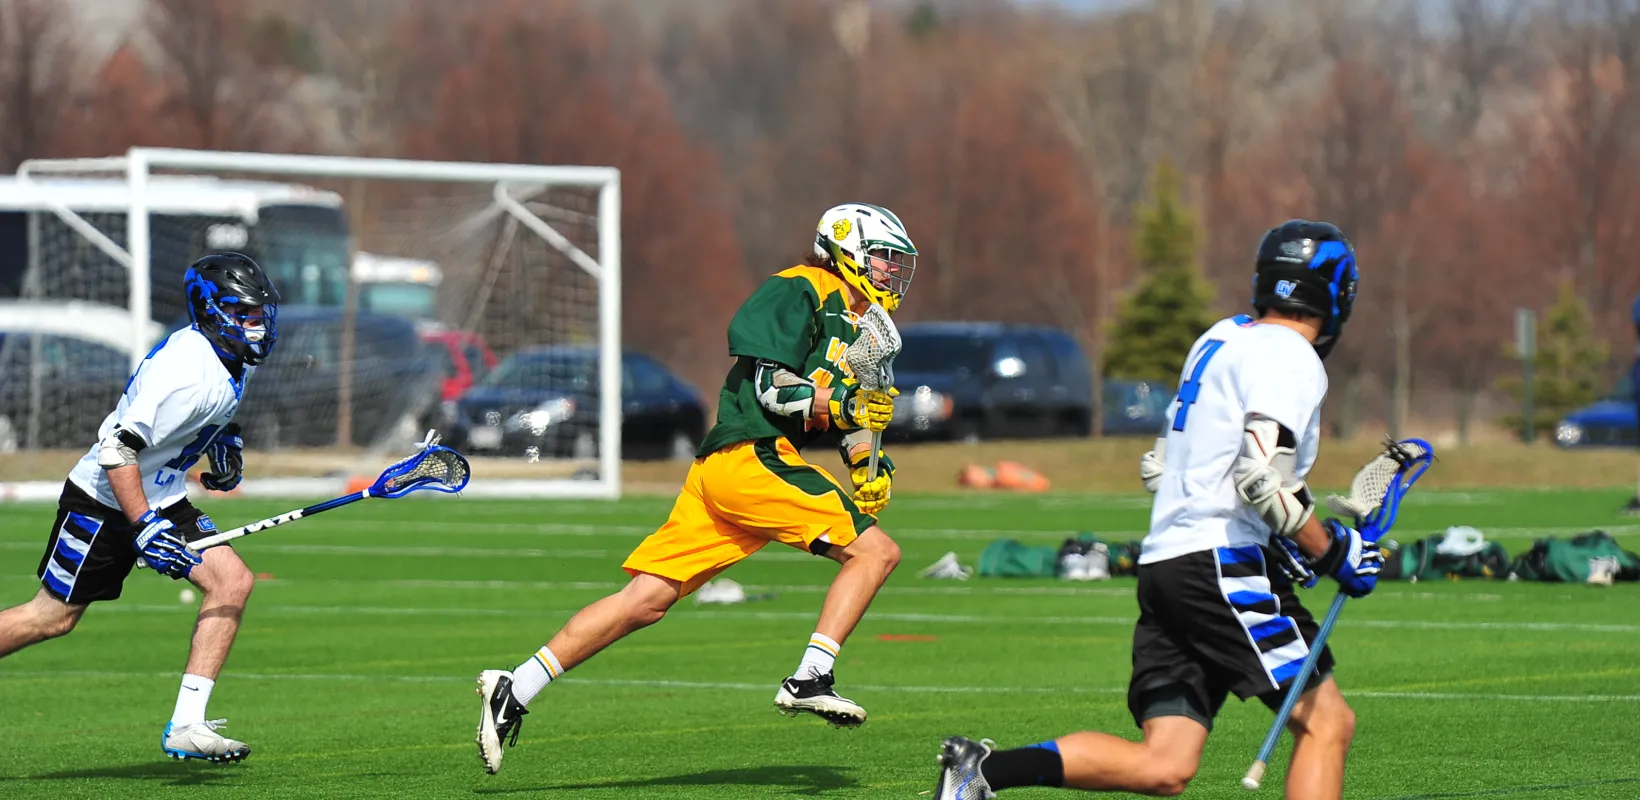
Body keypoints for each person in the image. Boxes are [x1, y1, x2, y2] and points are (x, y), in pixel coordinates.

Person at [932, 220, 1381, 800]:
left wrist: (1280, 539)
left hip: (1168, 563)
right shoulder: (1291, 355)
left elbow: (1162, 464)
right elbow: (1263, 478)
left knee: (1165, 764)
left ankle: (979, 774)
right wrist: (1332, 550)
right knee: (1327, 723)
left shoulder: (1221, 338)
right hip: (1221, 565)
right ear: (1337, 292)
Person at [473, 203, 919, 775]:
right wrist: (844, 406)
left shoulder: (864, 323)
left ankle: (515, 686)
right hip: (750, 455)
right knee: (875, 553)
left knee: (645, 600)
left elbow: (854, 412)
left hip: (726, 471)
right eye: (881, 257)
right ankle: (811, 677)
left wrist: (867, 466)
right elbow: (774, 389)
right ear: (844, 249)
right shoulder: (799, 289)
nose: (889, 270)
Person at [0, 253, 279, 763]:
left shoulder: (228, 354)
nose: (256, 325)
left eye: (259, 313)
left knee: (231, 581)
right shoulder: (187, 370)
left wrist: (222, 441)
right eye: (244, 314)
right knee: (51, 618)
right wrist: (145, 526)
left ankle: (187, 725)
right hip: (106, 500)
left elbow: (196, 419)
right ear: (211, 310)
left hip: (161, 495)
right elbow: (116, 450)